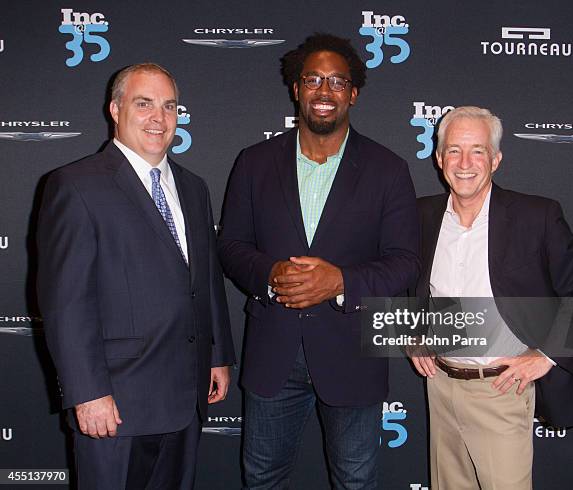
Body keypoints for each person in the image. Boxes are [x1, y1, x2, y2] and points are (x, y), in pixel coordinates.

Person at [218, 33, 420, 489]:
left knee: (355, 480)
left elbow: (405, 261)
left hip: (352, 354)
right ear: (296, 87)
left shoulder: (388, 169)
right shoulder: (254, 163)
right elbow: (230, 246)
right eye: (313, 79)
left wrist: (341, 281)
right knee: (262, 477)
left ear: (353, 93)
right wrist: (270, 274)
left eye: (336, 81)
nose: (324, 91)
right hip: (274, 353)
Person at [37, 63, 235, 489]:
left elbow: (205, 280)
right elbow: (66, 302)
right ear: (115, 108)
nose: (158, 118)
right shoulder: (74, 185)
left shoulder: (194, 186)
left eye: (169, 106)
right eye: (143, 104)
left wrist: (218, 353)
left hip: (186, 395)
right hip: (116, 402)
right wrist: (87, 392)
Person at [409, 106, 573, 490]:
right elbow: (409, 284)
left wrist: (548, 354)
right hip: (440, 388)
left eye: (478, 151)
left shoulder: (537, 216)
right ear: (438, 158)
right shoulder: (421, 215)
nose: (465, 163)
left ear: (496, 159)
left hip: (501, 392)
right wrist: (414, 336)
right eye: (454, 150)